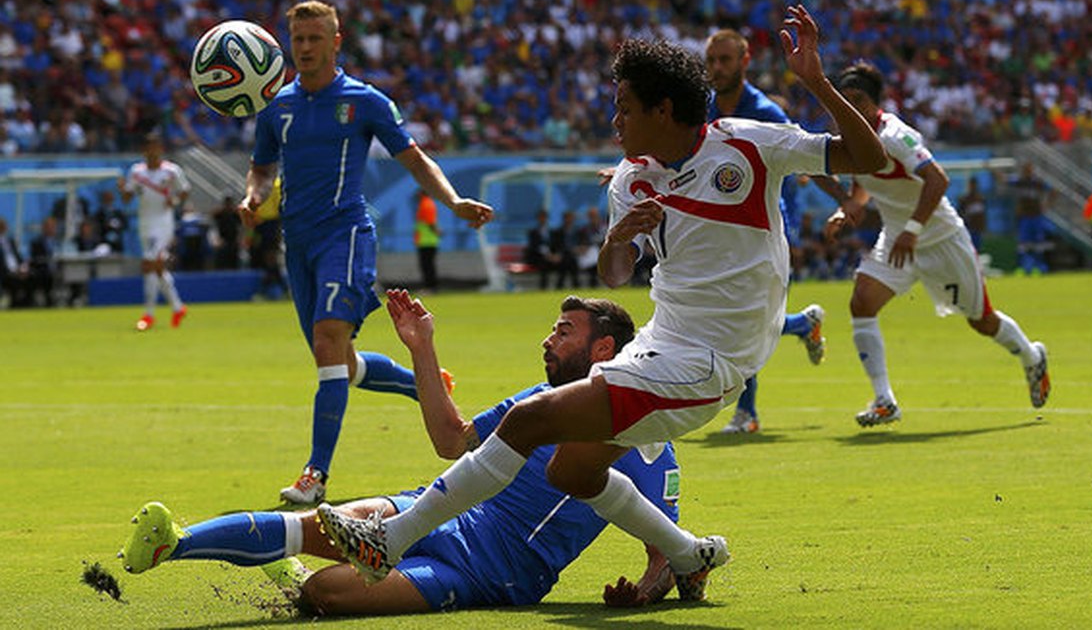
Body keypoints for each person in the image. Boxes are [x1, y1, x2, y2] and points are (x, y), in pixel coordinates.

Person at [315, 6, 885, 602]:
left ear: (663, 111)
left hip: (713, 361)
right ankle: (688, 556)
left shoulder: (749, 147)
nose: (615, 120)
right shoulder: (631, 179)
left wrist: (816, 81)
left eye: (625, 108)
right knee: (570, 470)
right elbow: (615, 277)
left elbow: (868, 161)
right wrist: (618, 238)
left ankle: (391, 540)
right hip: (662, 342)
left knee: (528, 421)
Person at [119, 293, 680, 614]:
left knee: (324, 593)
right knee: (318, 523)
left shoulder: (647, 437)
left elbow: (668, 551)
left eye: (563, 332)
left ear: (602, 348)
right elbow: (452, 441)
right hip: (434, 512)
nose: (547, 340)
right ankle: (176, 543)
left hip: (493, 570)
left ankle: (296, 570)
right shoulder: (539, 402)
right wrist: (423, 347)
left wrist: (645, 593)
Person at [239, 1, 494, 506]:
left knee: (328, 340)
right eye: (299, 39)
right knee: (340, 359)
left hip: (346, 234)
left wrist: (452, 201)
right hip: (300, 243)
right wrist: (253, 196)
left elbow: (414, 158)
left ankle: (316, 474)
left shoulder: (364, 101)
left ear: (336, 42)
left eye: (316, 38)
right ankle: (427, 385)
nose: (306, 48)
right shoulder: (277, 107)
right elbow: (262, 168)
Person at [821, 61, 1050, 427]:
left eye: (858, 99)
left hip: (939, 237)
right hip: (897, 238)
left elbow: (938, 180)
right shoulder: (849, 137)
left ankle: (1031, 356)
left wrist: (913, 229)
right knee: (862, 301)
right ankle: (884, 400)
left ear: (875, 104)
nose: (850, 107)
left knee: (982, 321)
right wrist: (846, 209)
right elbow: (864, 183)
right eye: (843, 100)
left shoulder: (896, 134)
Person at [703, 27, 830, 434]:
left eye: (725, 60)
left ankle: (747, 413)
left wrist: (846, 201)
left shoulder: (764, 112)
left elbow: (808, 152)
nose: (717, 68)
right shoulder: (703, 108)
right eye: (711, 60)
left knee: (740, 321)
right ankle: (802, 324)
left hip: (763, 229)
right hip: (719, 228)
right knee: (741, 321)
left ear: (744, 62)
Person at [119, 132, 189, 331]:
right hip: (145, 222)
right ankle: (177, 307)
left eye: (156, 147)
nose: (153, 151)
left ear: (161, 149)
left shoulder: (171, 171)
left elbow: (184, 190)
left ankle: (148, 315)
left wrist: (174, 201)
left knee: (149, 264)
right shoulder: (136, 172)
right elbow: (127, 198)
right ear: (144, 150)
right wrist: (123, 191)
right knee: (156, 267)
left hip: (163, 222)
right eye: (149, 148)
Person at [1006, 161, 1053, 275]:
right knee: (1023, 244)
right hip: (1025, 217)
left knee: (1038, 243)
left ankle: (1040, 268)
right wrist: (992, 169)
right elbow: (1004, 180)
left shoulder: (1037, 183)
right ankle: (1024, 268)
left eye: (1029, 169)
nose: (1027, 171)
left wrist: (1046, 205)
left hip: (1036, 216)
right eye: (1026, 169)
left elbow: (1053, 190)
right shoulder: (1020, 182)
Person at [0, 216, 31, 308]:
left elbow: (19, 257)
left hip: (17, 270)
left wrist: (23, 267)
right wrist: (12, 271)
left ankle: (27, 304)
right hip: (4, 272)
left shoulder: (10, 241)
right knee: (14, 281)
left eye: (4, 226)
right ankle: (14, 304)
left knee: (33, 277)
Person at [413, 191, 439, 292]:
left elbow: (430, 222)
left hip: (427, 240)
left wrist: (436, 231)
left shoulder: (426, 204)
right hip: (426, 239)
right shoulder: (426, 203)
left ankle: (430, 287)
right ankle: (431, 287)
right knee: (428, 264)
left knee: (427, 265)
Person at [524, 208, 557, 289]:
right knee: (544, 262)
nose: (543, 219)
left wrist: (555, 255)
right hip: (537, 257)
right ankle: (543, 287)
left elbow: (555, 245)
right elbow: (534, 247)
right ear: (538, 218)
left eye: (544, 217)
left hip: (550, 258)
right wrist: (547, 254)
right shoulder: (533, 232)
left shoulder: (552, 232)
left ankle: (560, 287)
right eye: (541, 217)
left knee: (564, 262)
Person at [576, 206, 607, 288]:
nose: (593, 218)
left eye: (595, 216)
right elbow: (581, 244)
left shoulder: (605, 228)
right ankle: (592, 281)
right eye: (591, 216)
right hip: (589, 254)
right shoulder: (584, 230)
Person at [550, 210, 580, 289]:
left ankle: (576, 285)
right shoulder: (558, 232)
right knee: (565, 261)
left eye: (570, 218)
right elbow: (555, 246)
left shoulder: (578, 231)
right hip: (562, 255)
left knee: (571, 261)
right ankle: (560, 286)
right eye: (567, 218)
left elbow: (582, 243)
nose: (569, 220)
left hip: (575, 255)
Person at [211, 196, 242, 270]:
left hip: (233, 242)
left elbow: (241, 227)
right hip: (222, 241)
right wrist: (217, 239)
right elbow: (213, 225)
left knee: (234, 263)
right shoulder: (219, 214)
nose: (228, 205)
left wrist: (240, 239)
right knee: (221, 263)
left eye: (230, 203)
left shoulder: (235, 215)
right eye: (227, 203)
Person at [93, 190, 128, 254]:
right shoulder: (98, 214)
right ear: (103, 199)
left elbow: (125, 225)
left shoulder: (118, 213)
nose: (108, 200)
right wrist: (106, 225)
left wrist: (118, 225)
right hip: (103, 244)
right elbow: (96, 227)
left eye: (110, 198)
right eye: (106, 198)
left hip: (117, 244)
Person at [958, 176, 987, 252]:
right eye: (971, 185)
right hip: (968, 229)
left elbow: (983, 215)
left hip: (977, 229)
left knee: (976, 250)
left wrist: (983, 227)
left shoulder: (981, 199)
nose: (973, 187)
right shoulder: (964, 199)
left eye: (974, 185)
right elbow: (960, 214)